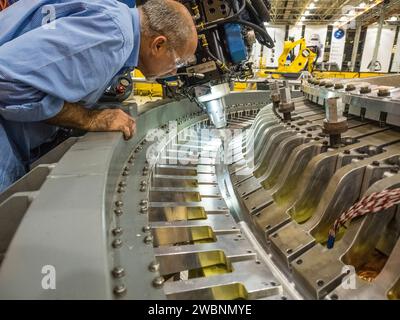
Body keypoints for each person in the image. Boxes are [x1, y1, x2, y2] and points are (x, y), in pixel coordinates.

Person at [0, 0, 198, 192]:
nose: (173, 71)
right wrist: (88, 118)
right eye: (178, 62)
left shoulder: (112, 14)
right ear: (158, 45)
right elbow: (8, 80)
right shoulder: (113, 37)